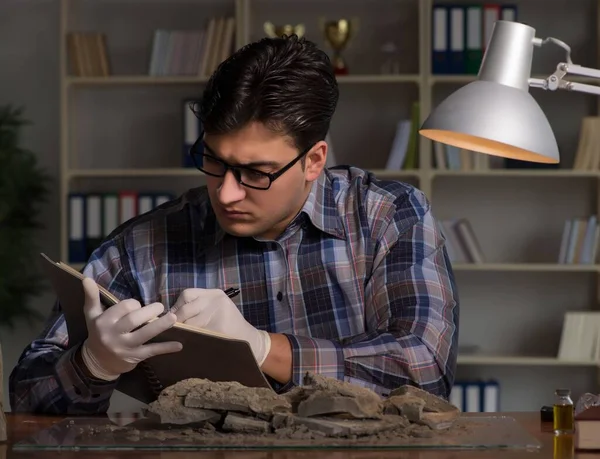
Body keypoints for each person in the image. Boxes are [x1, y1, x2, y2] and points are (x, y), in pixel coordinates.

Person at [9, 34, 459, 414]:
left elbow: (425, 371)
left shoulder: (388, 217)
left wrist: (262, 347)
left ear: (314, 161)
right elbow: (27, 399)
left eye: (256, 172)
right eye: (213, 161)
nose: (225, 193)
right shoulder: (140, 246)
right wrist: (92, 364)